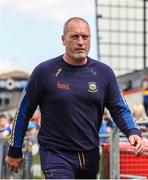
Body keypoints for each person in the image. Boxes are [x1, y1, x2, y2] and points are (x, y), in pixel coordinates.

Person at [5, 17, 144, 179]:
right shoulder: (44, 71)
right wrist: (15, 149)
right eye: (74, 37)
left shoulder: (104, 73)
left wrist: (132, 132)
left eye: (85, 37)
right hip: (56, 154)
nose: (80, 42)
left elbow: (119, 108)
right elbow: (23, 111)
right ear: (63, 40)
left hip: (90, 156)